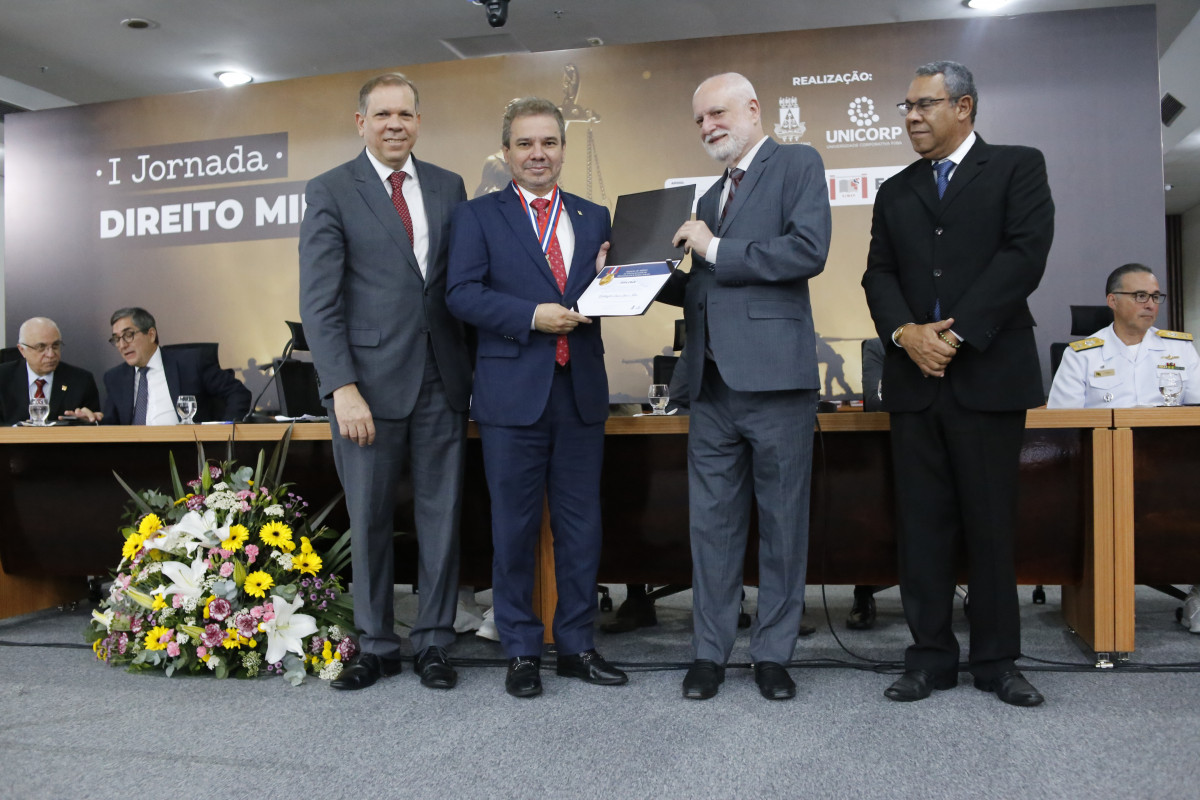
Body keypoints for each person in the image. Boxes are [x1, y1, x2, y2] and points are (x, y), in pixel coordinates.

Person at [862, 61, 1053, 707]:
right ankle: (929, 658)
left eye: (924, 104)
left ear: (964, 106)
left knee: (992, 524)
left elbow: (1024, 255)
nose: (911, 116)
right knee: (921, 526)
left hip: (988, 375)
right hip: (914, 383)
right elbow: (878, 276)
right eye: (906, 105)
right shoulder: (894, 190)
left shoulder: (1017, 166)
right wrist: (905, 334)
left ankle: (998, 661)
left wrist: (954, 332)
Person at [446, 97, 626, 698]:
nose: (538, 154)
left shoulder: (595, 215)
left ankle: (576, 644)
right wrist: (530, 316)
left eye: (548, 142)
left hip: (579, 394)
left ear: (563, 150)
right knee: (514, 528)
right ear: (507, 152)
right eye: (525, 144)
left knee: (582, 528)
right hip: (510, 398)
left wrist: (615, 277)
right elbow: (462, 295)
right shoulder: (478, 216)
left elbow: (608, 296)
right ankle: (521, 649)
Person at [661, 72, 831, 701]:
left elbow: (806, 251)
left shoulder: (797, 163)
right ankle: (709, 653)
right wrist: (640, 273)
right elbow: (703, 282)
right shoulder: (710, 198)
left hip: (776, 382)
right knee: (711, 527)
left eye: (718, 113)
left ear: (754, 109)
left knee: (783, 523)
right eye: (700, 119)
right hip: (711, 385)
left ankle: (773, 655)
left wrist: (715, 247)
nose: (709, 126)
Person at [299, 73, 472, 691]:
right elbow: (319, 304)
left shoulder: (451, 186)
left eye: (405, 114)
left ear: (418, 122)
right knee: (369, 517)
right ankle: (375, 644)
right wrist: (340, 386)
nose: (394, 124)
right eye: (382, 115)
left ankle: (432, 641)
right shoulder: (330, 190)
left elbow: (463, 282)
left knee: (441, 515)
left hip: (442, 380)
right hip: (365, 389)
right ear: (360, 122)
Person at [1047, 263, 1200, 408]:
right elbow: (1063, 423)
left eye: (1155, 297)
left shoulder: (1180, 349)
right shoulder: (1081, 356)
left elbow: (1196, 409)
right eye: (1140, 296)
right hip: (1105, 435)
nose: (1150, 305)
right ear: (1113, 301)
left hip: (1171, 435)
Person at [83, 307, 250, 425]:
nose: (122, 345)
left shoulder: (191, 363)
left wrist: (224, 434)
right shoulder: (115, 378)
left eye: (128, 335)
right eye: (116, 339)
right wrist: (94, 421)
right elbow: (112, 425)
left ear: (151, 334)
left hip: (186, 454)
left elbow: (238, 393)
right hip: (132, 458)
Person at [0, 317, 99, 425]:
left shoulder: (81, 381)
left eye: (55, 346)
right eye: (41, 347)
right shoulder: (3, 377)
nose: (51, 354)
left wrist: (88, 422)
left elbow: (94, 428)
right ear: (22, 350)